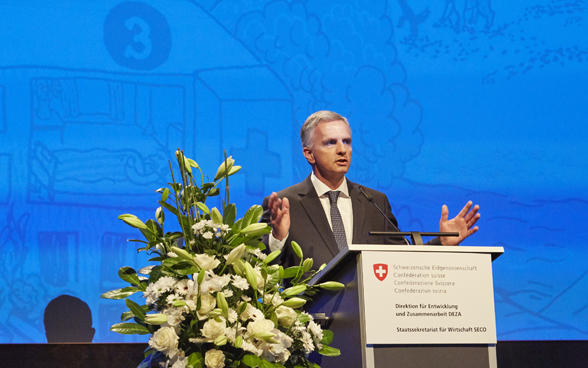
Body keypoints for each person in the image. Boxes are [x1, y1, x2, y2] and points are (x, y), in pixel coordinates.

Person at [261, 110, 480, 269]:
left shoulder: (374, 201)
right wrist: (277, 237)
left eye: (347, 141)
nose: (342, 150)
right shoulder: (284, 204)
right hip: (311, 325)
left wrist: (441, 242)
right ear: (309, 154)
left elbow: (403, 263)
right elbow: (256, 266)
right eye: (330, 143)